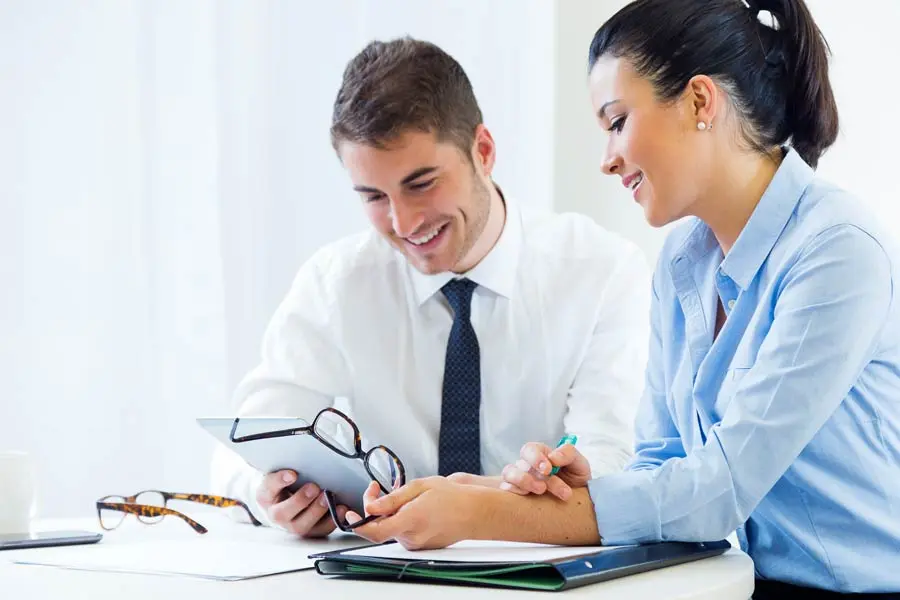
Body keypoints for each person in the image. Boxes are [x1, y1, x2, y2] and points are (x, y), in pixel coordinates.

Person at [346, 1, 900, 597]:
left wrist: (478, 516)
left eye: (616, 121)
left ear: (699, 102)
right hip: (740, 584)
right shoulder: (685, 259)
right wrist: (548, 488)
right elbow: (664, 462)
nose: (607, 159)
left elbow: (719, 491)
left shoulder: (835, 251)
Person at [211, 37, 651, 539]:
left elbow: (615, 460)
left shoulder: (602, 271)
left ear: (482, 152)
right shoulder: (337, 282)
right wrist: (270, 493)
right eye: (375, 196)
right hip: (381, 575)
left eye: (421, 184)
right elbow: (244, 441)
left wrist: (549, 481)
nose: (403, 222)